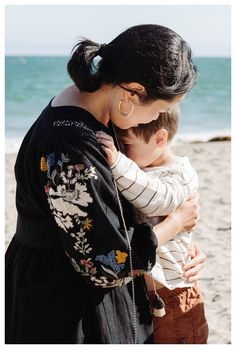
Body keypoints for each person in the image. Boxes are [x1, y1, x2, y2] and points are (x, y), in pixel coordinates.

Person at [5, 24, 205, 344]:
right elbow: (102, 264)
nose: (149, 122)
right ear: (133, 92)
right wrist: (173, 225)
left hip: (75, 286)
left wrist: (178, 247)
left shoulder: (95, 107)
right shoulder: (69, 143)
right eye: (156, 111)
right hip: (63, 301)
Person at [96, 105, 209, 343]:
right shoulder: (143, 169)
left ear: (159, 139)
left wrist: (116, 162)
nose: (123, 153)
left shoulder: (178, 174)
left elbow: (154, 199)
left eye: (127, 145)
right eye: (120, 147)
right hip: (147, 296)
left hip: (174, 296)